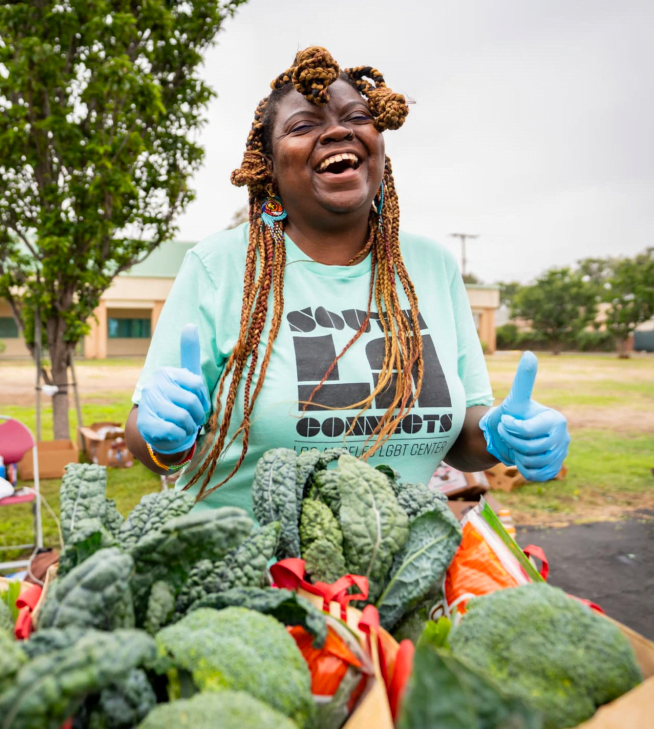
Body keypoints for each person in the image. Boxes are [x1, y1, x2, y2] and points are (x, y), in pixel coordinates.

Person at [125, 46, 569, 513]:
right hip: (247, 573)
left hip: (394, 568)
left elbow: (463, 436)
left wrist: (503, 433)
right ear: (269, 166)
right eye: (303, 126)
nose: (338, 131)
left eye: (356, 116)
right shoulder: (219, 265)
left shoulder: (430, 266)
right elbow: (149, 447)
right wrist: (165, 434)